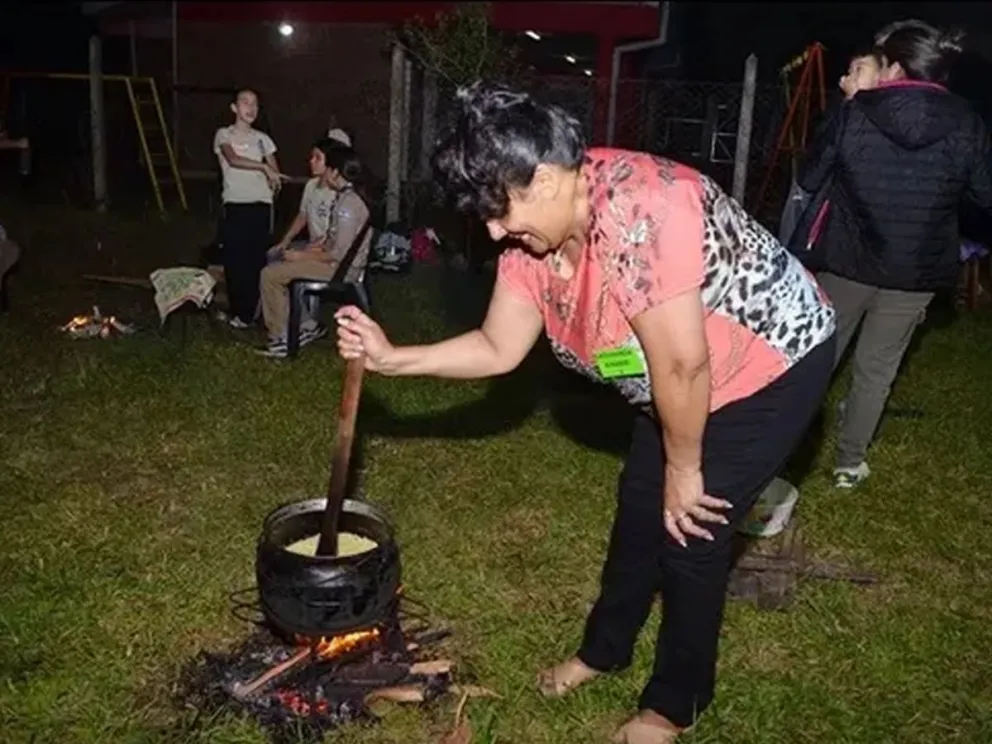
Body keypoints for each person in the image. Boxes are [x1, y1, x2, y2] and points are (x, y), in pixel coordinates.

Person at [334, 83, 836, 742]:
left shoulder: (643, 214)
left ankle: (674, 704)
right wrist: (394, 358)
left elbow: (683, 368)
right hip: (677, 380)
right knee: (638, 514)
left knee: (691, 533)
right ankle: (604, 651)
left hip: (769, 368)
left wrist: (687, 468)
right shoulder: (532, 241)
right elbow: (497, 347)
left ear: (543, 178)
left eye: (498, 209)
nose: (492, 230)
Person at [791, 20, 992, 488]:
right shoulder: (967, 121)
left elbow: (811, 176)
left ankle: (786, 450)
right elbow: (985, 195)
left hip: (849, 258)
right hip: (917, 267)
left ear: (896, 67)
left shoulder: (855, 112)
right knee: (878, 367)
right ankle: (848, 462)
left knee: (821, 356)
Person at [260, 145, 372, 359]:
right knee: (278, 265)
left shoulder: (348, 204)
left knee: (270, 275)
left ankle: (282, 338)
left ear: (335, 172)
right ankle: (305, 325)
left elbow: (339, 254)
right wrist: (315, 247)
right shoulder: (345, 197)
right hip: (336, 264)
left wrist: (301, 256)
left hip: (341, 270)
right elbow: (333, 241)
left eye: (327, 166)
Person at [778, 45, 882, 248]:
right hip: (812, 183)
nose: (849, 76)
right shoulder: (843, 105)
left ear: (882, 77)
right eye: (850, 70)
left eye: (859, 69)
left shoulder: (875, 113)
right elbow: (825, 144)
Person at [213, 88, 286, 329]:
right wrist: (262, 168)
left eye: (254, 103)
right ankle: (239, 312)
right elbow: (232, 159)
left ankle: (256, 313)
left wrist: (273, 181)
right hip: (236, 205)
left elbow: (274, 172)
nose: (250, 107)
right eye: (245, 102)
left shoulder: (263, 139)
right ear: (234, 107)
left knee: (257, 260)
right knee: (236, 260)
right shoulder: (224, 134)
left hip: (261, 207)